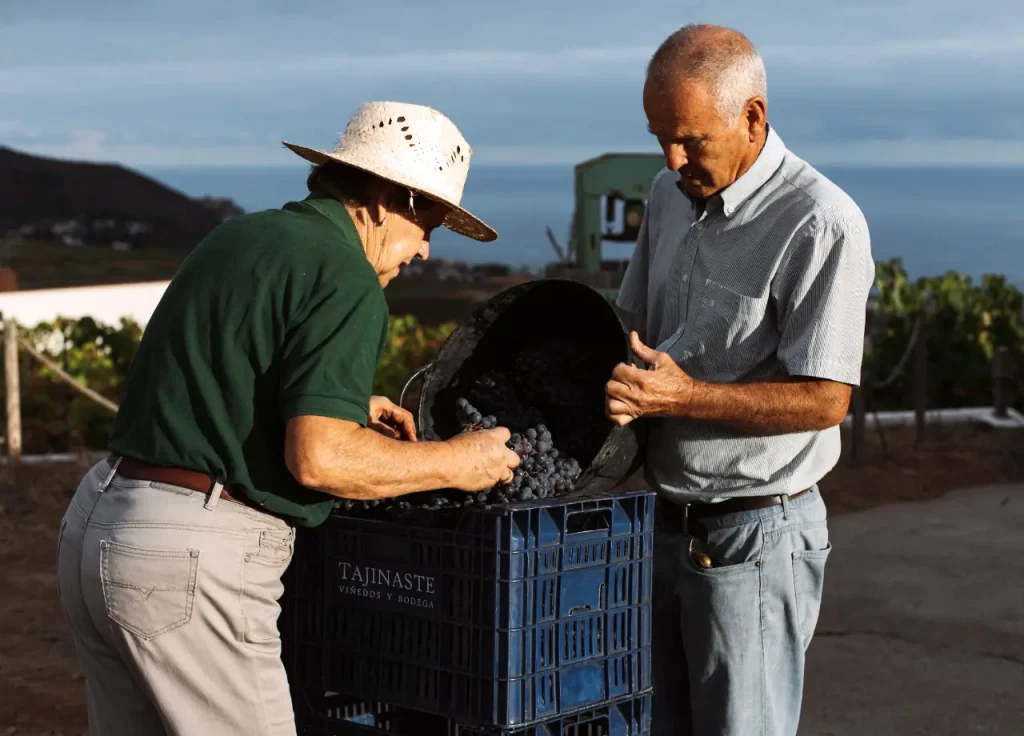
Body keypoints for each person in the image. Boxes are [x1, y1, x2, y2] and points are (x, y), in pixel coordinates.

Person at [55, 101, 521, 736]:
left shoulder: (239, 236)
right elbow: (320, 460)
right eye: (428, 226)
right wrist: (459, 461)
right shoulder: (348, 276)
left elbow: (213, 374)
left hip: (100, 522)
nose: (423, 251)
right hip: (189, 556)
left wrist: (341, 406)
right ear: (389, 200)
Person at [605, 25, 874, 736]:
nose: (672, 158)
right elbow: (631, 325)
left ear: (753, 117)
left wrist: (685, 397)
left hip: (758, 537)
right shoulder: (668, 194)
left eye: (691, 140)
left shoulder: (820, 221)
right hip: (666, 522)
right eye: (660, 137)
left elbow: (827, 400)